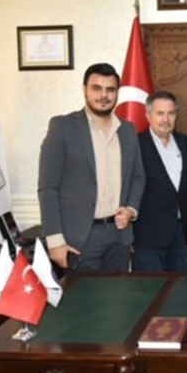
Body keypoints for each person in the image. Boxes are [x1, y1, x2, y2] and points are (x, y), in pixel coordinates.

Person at [38, 63, 146, 273]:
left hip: (119, 236)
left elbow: (138, 176)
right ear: (84, 90)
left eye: (110, 89)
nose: (104, 95)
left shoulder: (127, 130)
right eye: (97, 88)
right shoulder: (63, 127)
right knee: (80, 295)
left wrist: (131, 210)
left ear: (117, 93)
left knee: (118, 294)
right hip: (79, 239)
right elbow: (48, 188)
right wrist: (54, 241)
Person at [132, 91, 187, 273]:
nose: (166, 119)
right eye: (160, 113)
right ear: (148, 115)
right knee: (149, 289)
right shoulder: (136, 145)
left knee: (179, 287)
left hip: (181, 235)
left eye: (171, 113)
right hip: (148, 236)